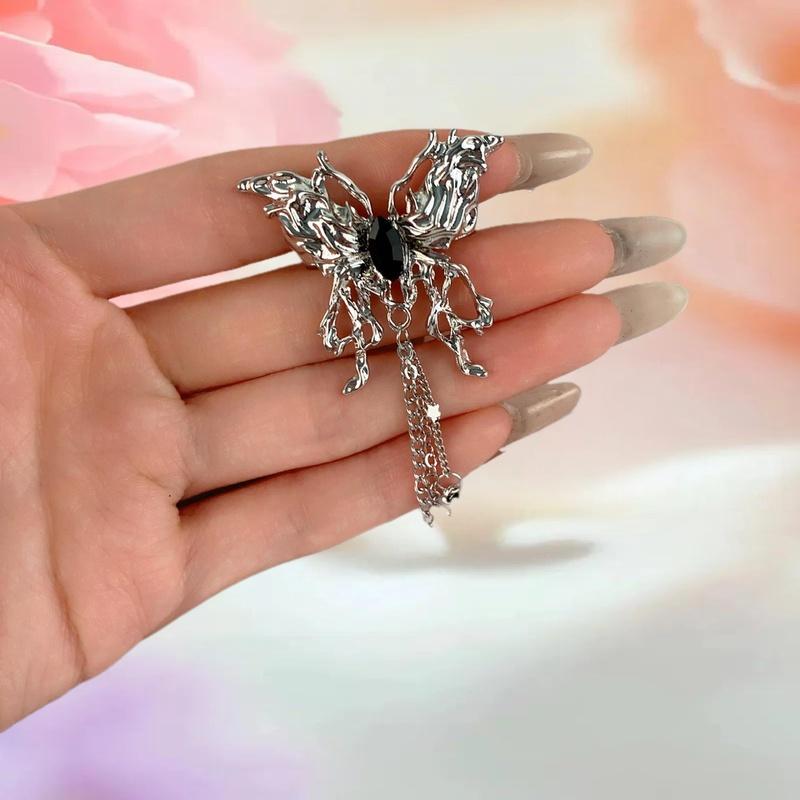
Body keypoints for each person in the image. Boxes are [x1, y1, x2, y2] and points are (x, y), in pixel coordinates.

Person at [0, 130, 686, 729]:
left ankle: (421, 372)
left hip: (399, 294)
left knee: (420, 360)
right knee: (412, 361)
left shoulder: (374, 237)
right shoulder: (369, 234)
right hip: (382, 296)